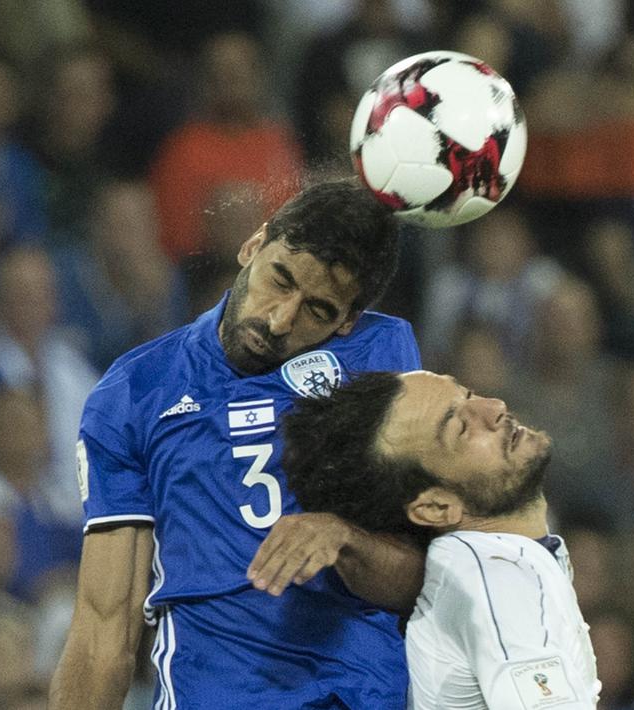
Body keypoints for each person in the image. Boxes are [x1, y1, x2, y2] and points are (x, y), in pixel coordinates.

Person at [49, 179, 424, 709]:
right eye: (280, 280)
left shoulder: (381, 360)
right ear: (253, 245)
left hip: (360, 695)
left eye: (317, 310)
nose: (279, 319)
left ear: (347, 322)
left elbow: (418, 579)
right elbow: (102, 632)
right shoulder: (136, 391)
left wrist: (343, 538)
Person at [281, 369, 601, 709]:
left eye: (468, 394)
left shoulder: (480, 567)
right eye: (461, 428)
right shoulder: (499, 576)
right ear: (435, 507)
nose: (494, 407)